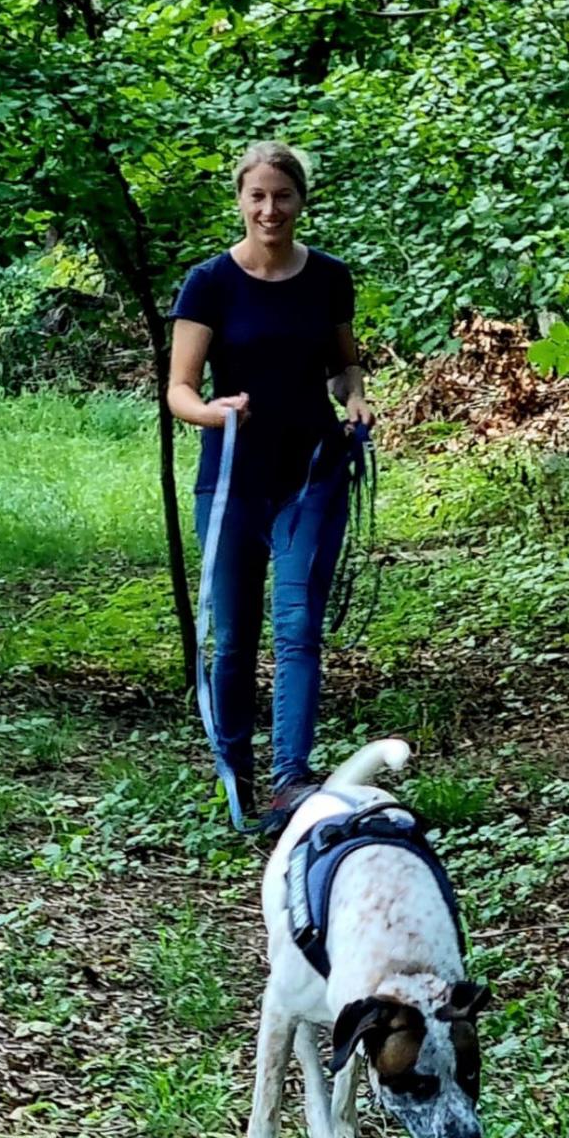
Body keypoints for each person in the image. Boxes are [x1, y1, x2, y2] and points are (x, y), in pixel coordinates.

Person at [167, 140, 374, 833]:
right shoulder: (209, 283)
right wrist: (214, 411)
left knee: (298, 629)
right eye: (257, 195)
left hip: (310, 475)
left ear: (300, 201)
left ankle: (291, 780)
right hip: (230, 484)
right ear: (240, 200)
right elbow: (180, 390)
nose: (270, 209)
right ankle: (236, 774)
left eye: (282, 196)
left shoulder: (329, 279)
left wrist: (356, 402)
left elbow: (345, 368)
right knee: (234, 638)